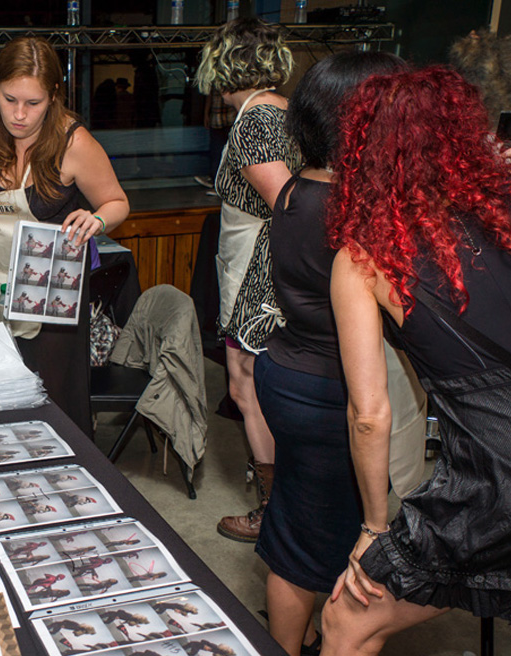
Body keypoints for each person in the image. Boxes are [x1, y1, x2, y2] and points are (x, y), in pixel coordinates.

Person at [316, 67, 511, 656]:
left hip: (504, 485)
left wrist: (373, 527)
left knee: (346, 624)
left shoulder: (364, 258)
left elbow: (369, 415)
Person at [253, 51, 407, 656]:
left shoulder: (296, 187)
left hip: (285, 372)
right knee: (307, 545)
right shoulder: (351, 211)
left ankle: (297, 645)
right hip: (327, 394)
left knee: (297, 520)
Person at [0, 37, 130, 436]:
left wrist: (98, 220)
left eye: (33, 104)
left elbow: (117, 202)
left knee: (53, 408)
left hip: (52, 300)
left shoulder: (74, 142)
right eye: (10, 99)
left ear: (53, 96)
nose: (19, 115)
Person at [195, 18, 302, 542]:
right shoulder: (284, 111)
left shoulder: (257, 118)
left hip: (258, 270)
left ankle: (275, 513)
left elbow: (289, 205)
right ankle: (283, 508)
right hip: (260, 266)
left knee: (247, 386)